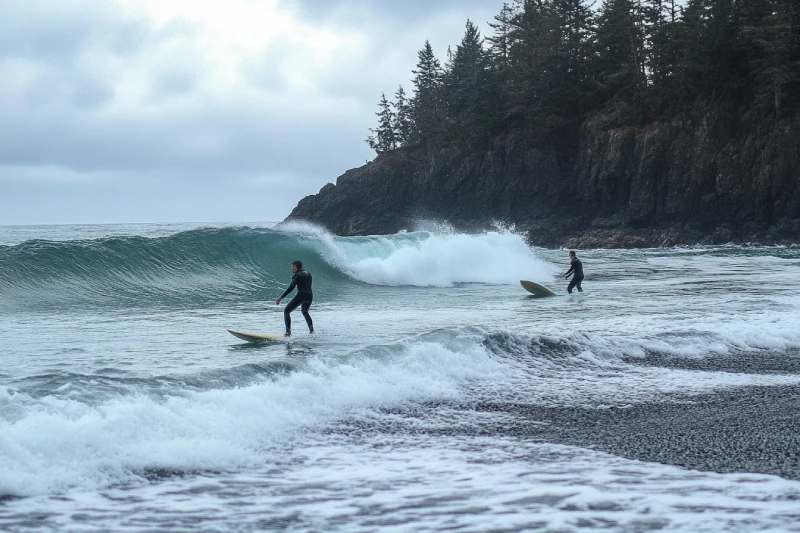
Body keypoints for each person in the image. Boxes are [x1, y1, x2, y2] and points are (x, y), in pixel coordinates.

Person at [275, 260, 313, 337]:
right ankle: (312, 331)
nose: (291, 268)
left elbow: (291, 287)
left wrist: (281, 297)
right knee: (305, 312)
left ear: (295, 266)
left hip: (301, 295)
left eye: (292, 266)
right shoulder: (308, 274)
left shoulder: (296, 275)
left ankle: (288, 333)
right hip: (309, 295)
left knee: (286, 311)